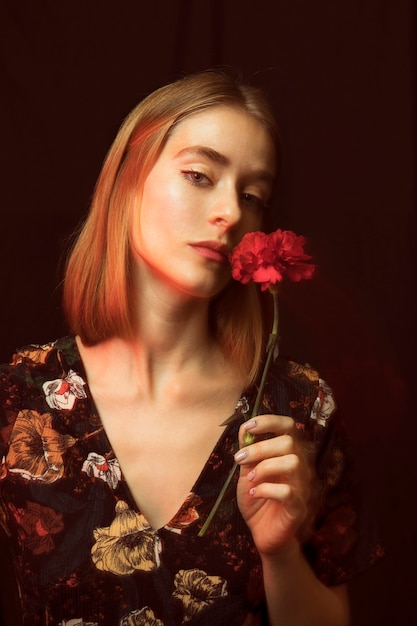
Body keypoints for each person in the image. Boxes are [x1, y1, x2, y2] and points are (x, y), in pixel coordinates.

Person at [0, 70, 381, 626]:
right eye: (200, 175)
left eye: (253, 196)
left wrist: (279, 552)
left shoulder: (295, 408)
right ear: (127, 180)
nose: (230, 212)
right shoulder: (18, 398)